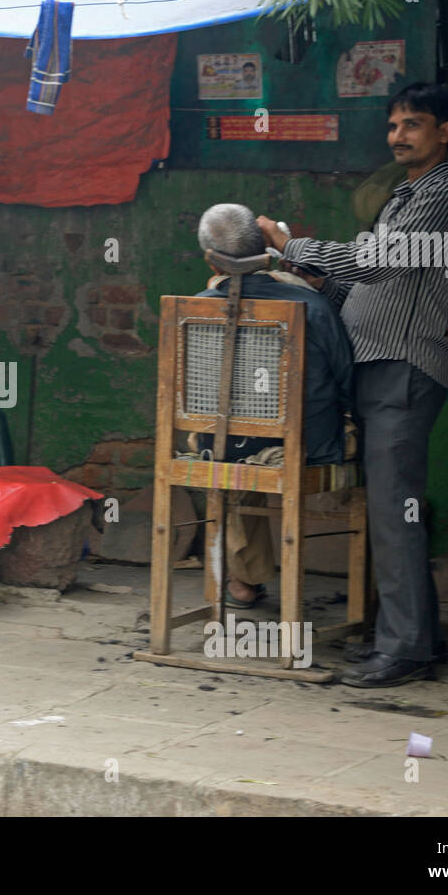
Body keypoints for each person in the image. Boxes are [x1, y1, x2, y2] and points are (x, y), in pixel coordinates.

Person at [258, 82, 448, 687]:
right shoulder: (405, 197)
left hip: (404, 368)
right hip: (379, 367)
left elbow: (379, 262)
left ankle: (403, 648)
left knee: (393, 512)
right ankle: (418, 641)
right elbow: (369, 284)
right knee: (392, 512)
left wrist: (291, 243)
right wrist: (318, 279)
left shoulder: (444, 197)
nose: (399, 136)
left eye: (413, 124)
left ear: (445, 132)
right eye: (394, 125)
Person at [191, 203, 354, 610]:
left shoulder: (195, 308)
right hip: (308, 447)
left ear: (211, 258)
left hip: (227, 448)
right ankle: (375, 602)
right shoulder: (311, 306)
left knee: (227, 450)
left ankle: (244, 583)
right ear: (264, 247)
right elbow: (346, 380)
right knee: (261, 444)